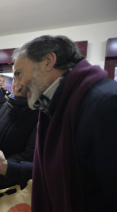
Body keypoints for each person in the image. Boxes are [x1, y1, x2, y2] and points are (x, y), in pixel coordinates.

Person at [12, 35, 117, 212]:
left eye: (19, 74)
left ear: (48, 61)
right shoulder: (54, 106)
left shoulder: (106, 103)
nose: (18, 85)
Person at [0, 77, 38, 200]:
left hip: (17, 187)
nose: (18, 83)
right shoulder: (7, 106)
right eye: (15, 78)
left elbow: (30, 156)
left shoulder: (40, 114)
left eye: (23, 77)